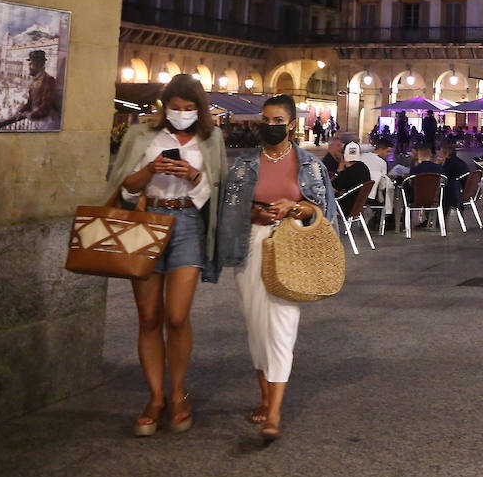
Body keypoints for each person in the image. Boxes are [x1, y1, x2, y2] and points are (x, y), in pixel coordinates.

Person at [104, 74, 225, 436]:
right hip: (147, 220)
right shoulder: (142, 135)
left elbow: (218, 188)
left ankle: (178, 391)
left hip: (188, 222)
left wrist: (193, 175)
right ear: (164, 106)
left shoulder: (211, 138)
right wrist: (150, 170)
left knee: (176, 315)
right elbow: (124, 186)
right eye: (175, 107)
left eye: (189, 108)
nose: (182, 113)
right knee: (149, 316)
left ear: (199, 109)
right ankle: (156, 397)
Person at [214, 94, 336, 442]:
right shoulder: (244, 164)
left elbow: (323, 211)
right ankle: (265, 397)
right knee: (256, 325)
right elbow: (229, 208)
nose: (270, 126)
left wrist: (294, 208)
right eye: (265, 120)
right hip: (251, 244)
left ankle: (275, 412)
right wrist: (252, 211)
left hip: (291, 245)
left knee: (282, 324)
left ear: (292, 124)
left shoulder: (310, 166)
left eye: (278, 120)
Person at [8, 49, 61, 130]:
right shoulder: (34, 82)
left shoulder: (49, 80)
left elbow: (47, 105)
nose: (29, 67)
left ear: (40, 64)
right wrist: (20, 111)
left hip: (49, 124)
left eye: (32, 63)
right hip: (39, 123)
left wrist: (30, 115)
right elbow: (30, 102)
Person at [331, 141, 371, 215]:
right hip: (357, 208)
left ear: (343, 156)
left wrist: (340, 168)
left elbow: (330, 190)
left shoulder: (347, 174)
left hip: (343, 208)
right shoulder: (364, 168)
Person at [442, 141, 471, 220]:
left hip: (455, 194)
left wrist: (438, 165)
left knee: (437, 195)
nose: (439, 155)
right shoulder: (460, 162)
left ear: (447, 154)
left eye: (441, 153)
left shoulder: (449, 164)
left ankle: (436, 221)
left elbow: (443, 176)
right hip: (463, 191)